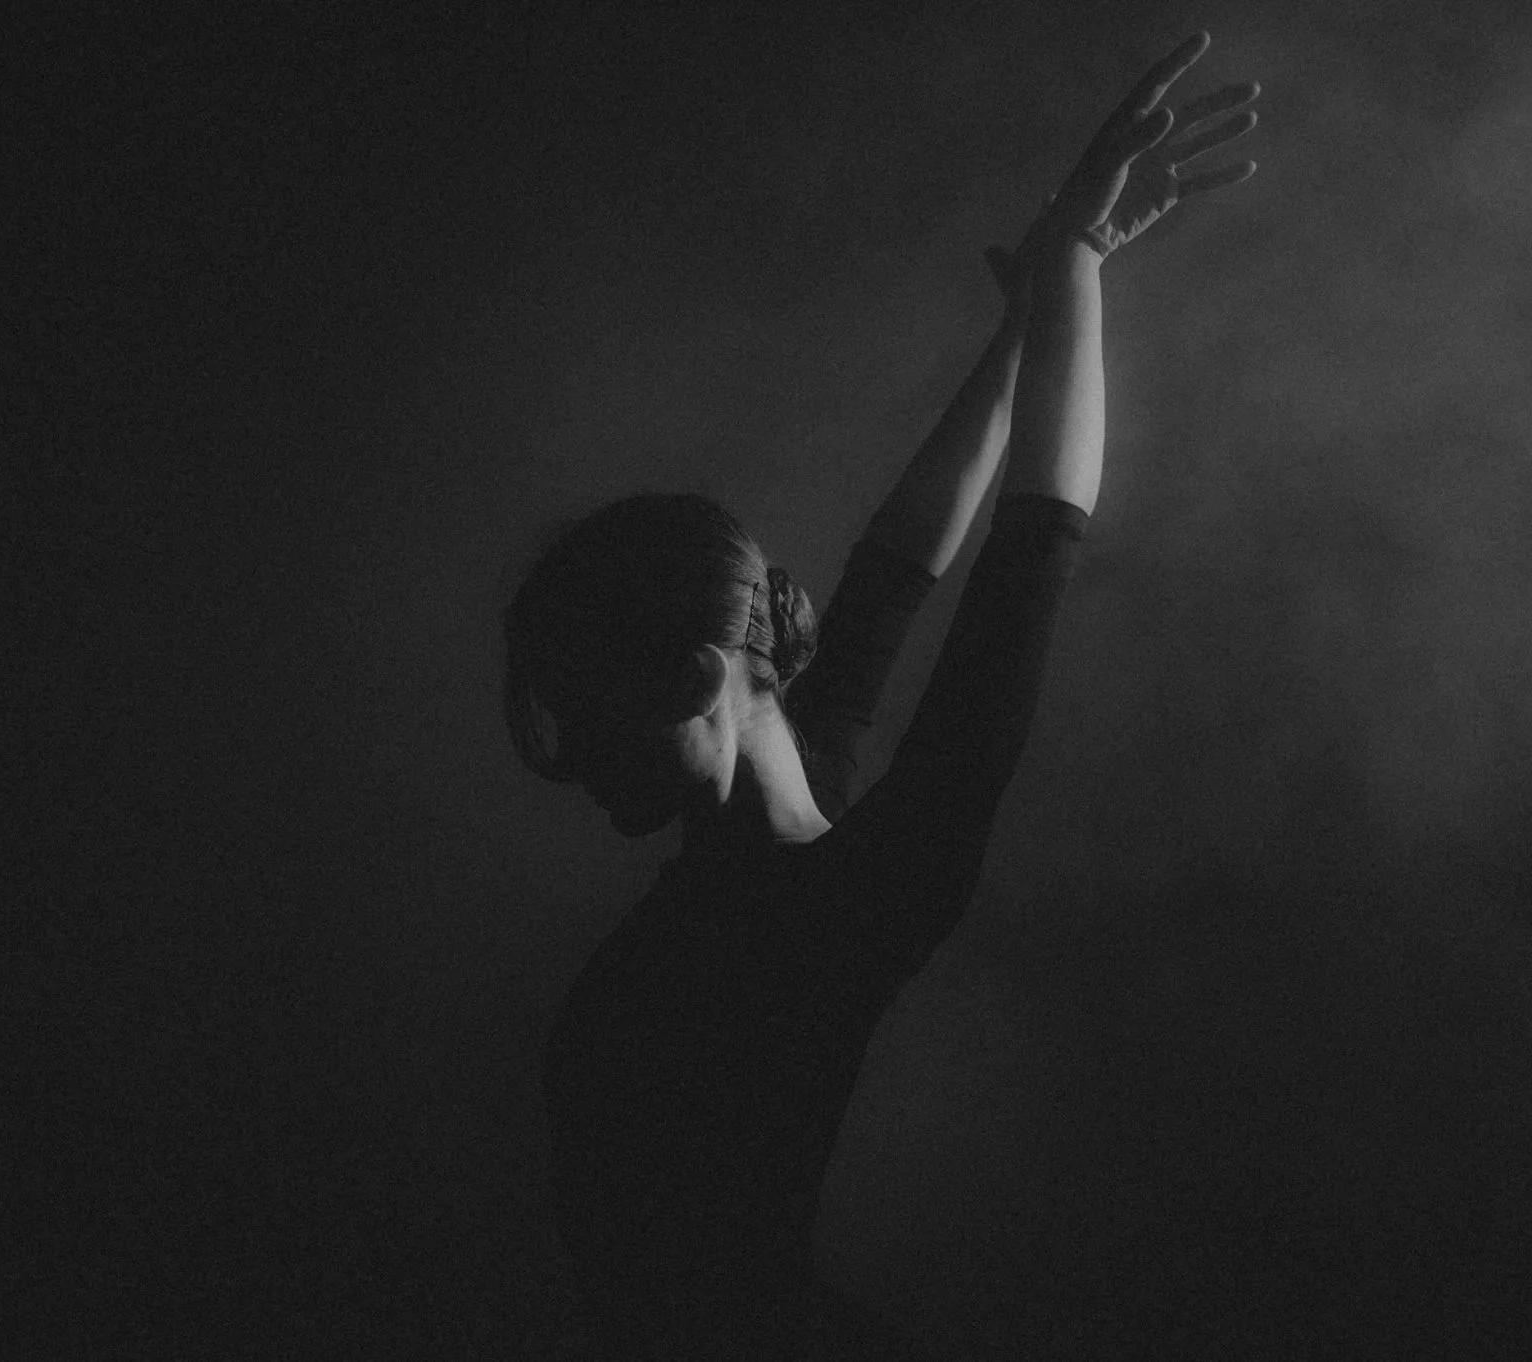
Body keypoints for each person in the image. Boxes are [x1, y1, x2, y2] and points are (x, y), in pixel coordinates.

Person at [503, 33, 1261, 1359]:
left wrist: (1071, 265)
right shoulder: (822, 826)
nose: (574, 766)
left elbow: (1027, 554)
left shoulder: (832, 909)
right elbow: (911, 554)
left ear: (697, 677)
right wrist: (1037, 305)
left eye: (590, 714)